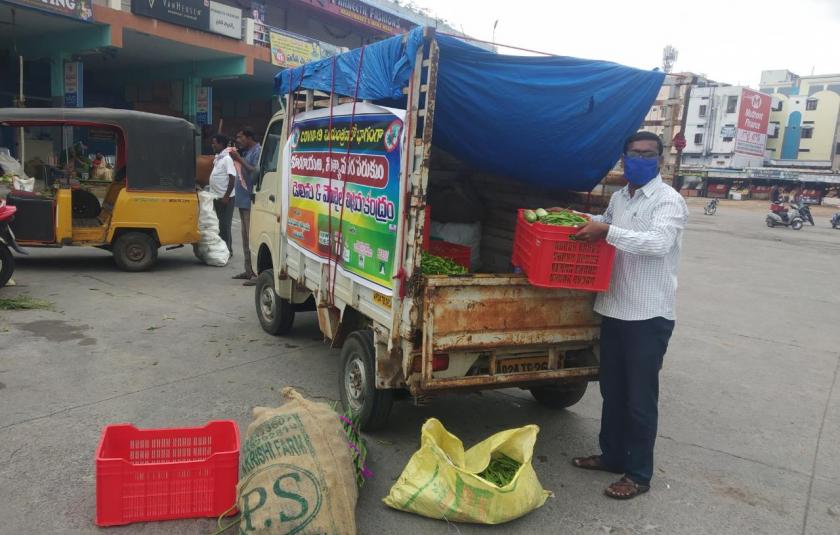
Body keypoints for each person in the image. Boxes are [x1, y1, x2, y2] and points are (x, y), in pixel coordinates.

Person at [569, 131, 689, 500]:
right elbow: (604, 220)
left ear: (660, 159)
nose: (640, 159)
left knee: (639, 399)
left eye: (648, 154)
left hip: (648, 316)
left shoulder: (669, 201)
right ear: (624, 157)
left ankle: (638, 474)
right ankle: (612, 456)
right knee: (613, 391)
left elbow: (657, 243)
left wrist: (607, 230)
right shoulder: (622, 197)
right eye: (634, 153)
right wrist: (579, 217)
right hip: (614, 308)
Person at [230, 127, 262, 285]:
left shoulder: (257, 151)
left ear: (249, 137)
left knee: (251, 238)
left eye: (240, 136)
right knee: (245, 238)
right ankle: (248, 270)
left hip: (250, 201)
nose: (238, 140)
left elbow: (255, 172)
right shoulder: (247, 152)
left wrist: (239, 158)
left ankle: (256, 273)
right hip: (243, 201)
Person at [209, 134, 236, 254]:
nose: (212, 145)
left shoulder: (227, 159)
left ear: (221, 144)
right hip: (216, 196)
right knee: (219, 225)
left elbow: (232, 178)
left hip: (226, 198)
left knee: (225, 226)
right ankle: (223, 249)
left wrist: (226, 196)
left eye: (214, 143)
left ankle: (228, 251)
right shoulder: (218, 158)